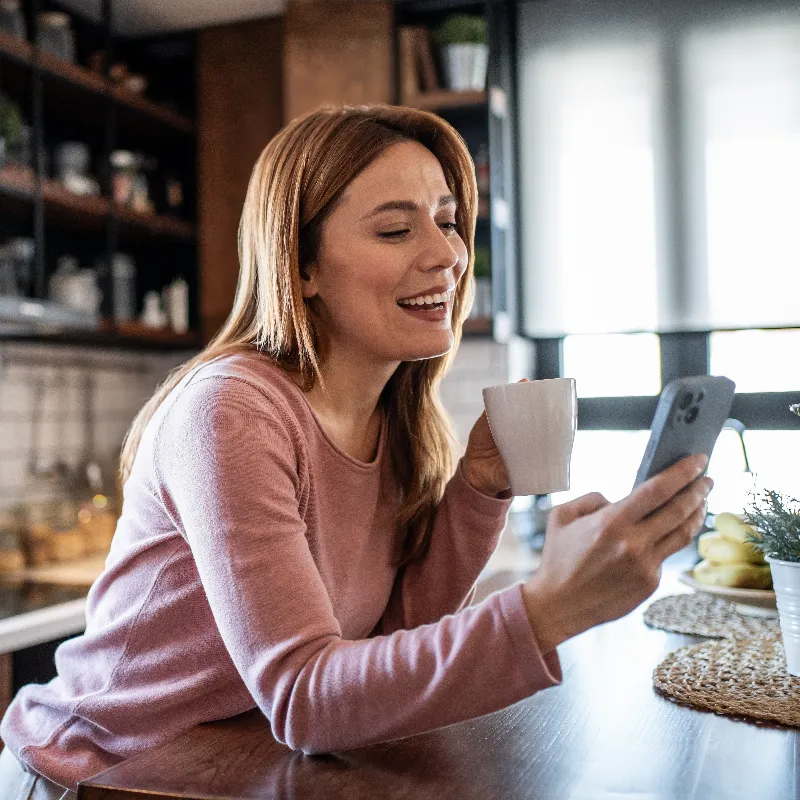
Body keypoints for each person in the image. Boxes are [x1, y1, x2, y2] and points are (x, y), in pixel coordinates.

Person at [0, 105, 711, 797]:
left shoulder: (393, 417)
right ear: (302, 265)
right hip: (94, 776)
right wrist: (548, 610)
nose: (448, 255)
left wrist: (479, 490)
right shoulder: (232, 411)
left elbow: (386, 649)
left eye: (448, 221)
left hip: (228, 770)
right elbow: (307, 698)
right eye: (397, 229)